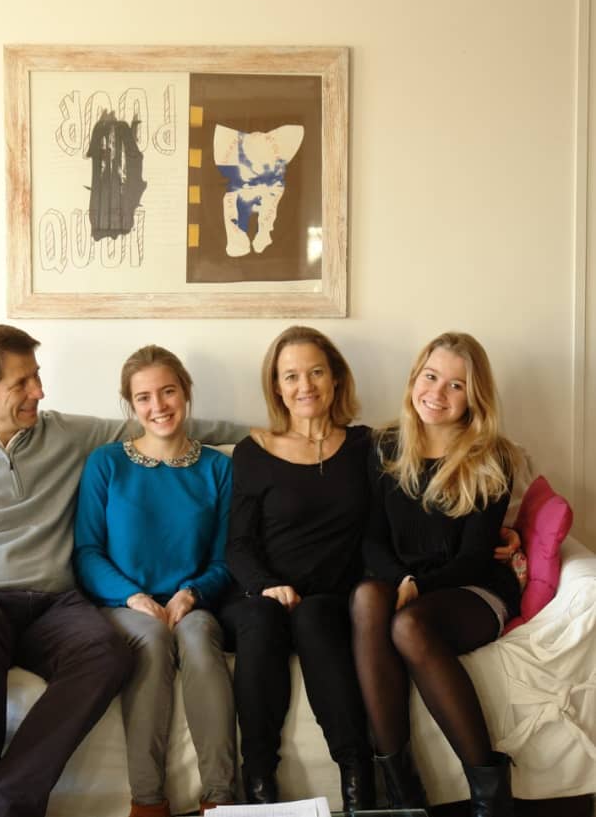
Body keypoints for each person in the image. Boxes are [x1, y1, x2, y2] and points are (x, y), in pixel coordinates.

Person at [0, 324, 246, 817]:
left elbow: (162, 427)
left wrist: (271, 434)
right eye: (22, 383)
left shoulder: (64, 432)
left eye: (37, 376)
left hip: (52, 604)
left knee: (107, 651)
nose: (39, 392)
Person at [350, 332, 523, 817]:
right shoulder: (384, 446)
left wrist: (419, 586)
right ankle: (403, 799)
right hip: (405, 584)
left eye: (456, 385)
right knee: (367, 598)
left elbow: (474, 557)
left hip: (471, 588)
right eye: (431, 377)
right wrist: (402, 581)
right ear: (414, 379)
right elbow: (371, 539)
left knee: (409, 625)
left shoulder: (492, 456)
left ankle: (491, 799)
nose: (437, 393)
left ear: (474, 397)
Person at [74, 345, 236, 817]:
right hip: (125, 603)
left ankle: (221, 800)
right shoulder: (105, 464)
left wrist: (192, 593)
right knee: (151, 639)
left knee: (200, 639)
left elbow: (226, 558)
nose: (158, 406)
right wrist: (133, 596)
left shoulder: (218, 468)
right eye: (143, 397)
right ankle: (147, 802)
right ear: (130, 405)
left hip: (193, 601)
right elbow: (87, 552)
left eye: (168, 392)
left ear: (185, 392)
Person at [220, 326, 373, 812]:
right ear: (277, 386)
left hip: (331, 597)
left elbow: (411, 505)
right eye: (291, 376)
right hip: (262, 595)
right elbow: (238, 544)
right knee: (260, 619)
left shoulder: (365, 446)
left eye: (316, 372)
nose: (305, 385)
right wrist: (267, 586)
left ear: (335, 377)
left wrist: (504, 528)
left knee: (314, 617)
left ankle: (358, 784)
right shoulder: (254, 450)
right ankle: (259, 784)